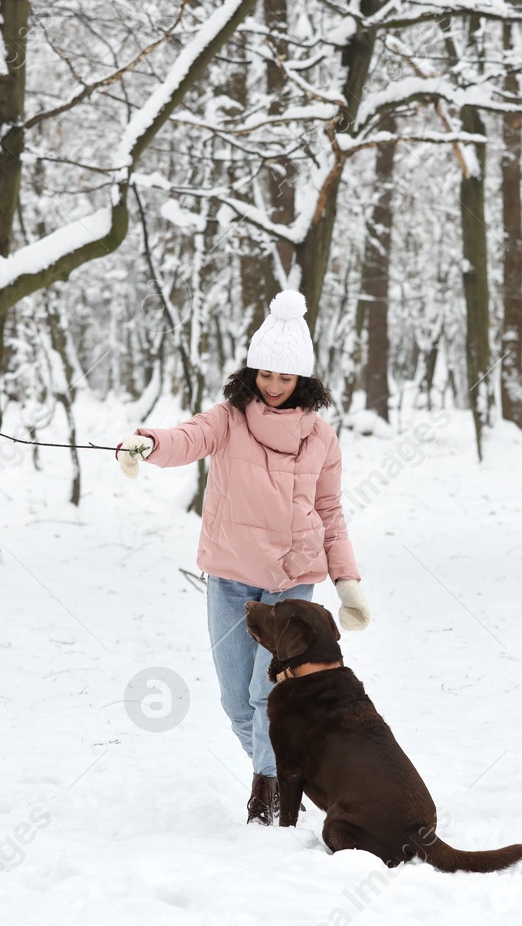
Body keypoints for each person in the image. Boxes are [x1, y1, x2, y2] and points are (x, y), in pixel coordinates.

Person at [116, 290, 371, 825]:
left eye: (286, 377)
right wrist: (147, 444)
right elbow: (185, 439)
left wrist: (345, 580)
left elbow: (329, 507)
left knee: (265, 695)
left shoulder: (321, 437)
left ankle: (271, 803)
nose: (274, 387)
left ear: (303, 379)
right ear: (251, 370)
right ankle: (281, 775)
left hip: (291, 581)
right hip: (230, 576)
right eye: (266, 374)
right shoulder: (228, 419)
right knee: (238, 703)